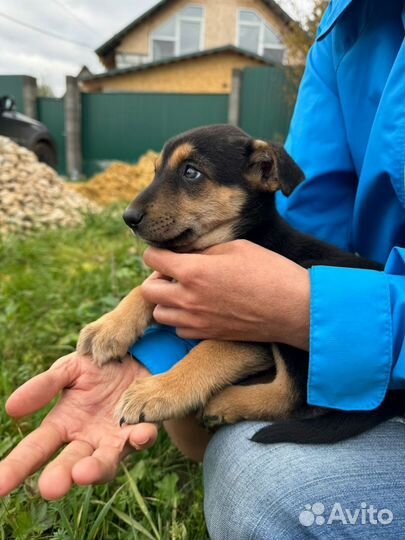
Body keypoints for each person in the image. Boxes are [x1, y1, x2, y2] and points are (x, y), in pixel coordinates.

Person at [1, 0, 405, 537]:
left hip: (362, 373)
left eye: (190, 174)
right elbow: (297, 230)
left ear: (262, 174)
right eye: (163, 173)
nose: (143, 205)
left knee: (257, 469)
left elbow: (257, 328)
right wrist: (144, 338)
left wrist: (296, 313)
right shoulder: (348, 25)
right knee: (226, 452)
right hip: (359, 345)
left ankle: (281, 395)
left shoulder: (284, 241)